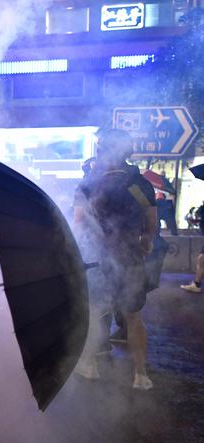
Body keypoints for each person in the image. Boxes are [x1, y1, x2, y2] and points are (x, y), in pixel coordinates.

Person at [73, 128, 157, 390]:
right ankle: (141, 375)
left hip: (98, 258)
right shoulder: (139, 183)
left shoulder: (89, 183)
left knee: (95, 311)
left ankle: (89, 365)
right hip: (130, 256)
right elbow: (151, 222)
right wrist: (145, 242)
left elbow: (77, 220)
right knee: (133, 316)